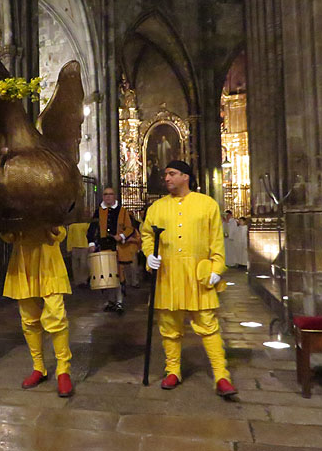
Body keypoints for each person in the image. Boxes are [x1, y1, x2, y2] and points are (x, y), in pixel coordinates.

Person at [141, 160, 238, 397]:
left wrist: (217, 267)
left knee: (208, 325)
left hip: (198, 275)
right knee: (169, 327)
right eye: (166, 174)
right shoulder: (156, 208)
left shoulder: (207, 204)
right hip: (168, 274)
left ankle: (221, 376)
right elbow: (147, 236)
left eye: (172, 174)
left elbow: (216, 240)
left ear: (186, 176)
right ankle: (173, 370)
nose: (167, 178)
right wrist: (150, 255)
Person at [1, 226, 73, 397]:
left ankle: (63, 370)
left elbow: (61, 233)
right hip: (23, 260)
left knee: (56, 315)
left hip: (49, 259)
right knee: (29, 318)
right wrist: (3, 226)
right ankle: (38, 367)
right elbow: (8, 236)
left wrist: (52, 226)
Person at [87, 187, 134, 314]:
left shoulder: (122, 211)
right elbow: (92, 229)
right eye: (105, 194)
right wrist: (91, 243)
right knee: (106, 274)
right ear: (103, 197)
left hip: (118, 248)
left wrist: (122, 236)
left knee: (118, 275)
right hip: (103, 247)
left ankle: (119, 301)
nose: (108, 196)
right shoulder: (98, 212)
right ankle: (110, 301)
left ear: (114, 196)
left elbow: (130, 228)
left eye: (110, 194)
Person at [66, 219, 90, 287]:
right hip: (83, 245)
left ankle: (80, 281)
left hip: (80, 246)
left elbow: (69, 237)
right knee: (82, 264)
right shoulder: (86, 224)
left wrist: (69, 248)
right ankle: (82, 281)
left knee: (78, 265)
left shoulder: (73, 225)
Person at [120, 213, 142, 288]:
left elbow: (139, 240)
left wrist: (132, 240)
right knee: (125, 268)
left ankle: (134, 282)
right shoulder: (120, 230)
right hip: (123, 251)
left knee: (133, 267)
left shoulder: (133, 230)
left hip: (132, 250)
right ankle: (127, 282)